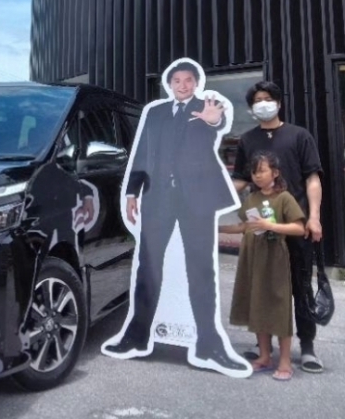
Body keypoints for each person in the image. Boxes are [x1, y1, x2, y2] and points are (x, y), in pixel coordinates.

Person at [102, 59, 248, 374]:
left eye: (188, 80)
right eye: (177, 81)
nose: (183, 85)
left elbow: (218, 123)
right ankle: (136, 337)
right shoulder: (154, 113)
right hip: (157, 197)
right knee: (148, 266)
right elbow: (142, 153)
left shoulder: (208, 106)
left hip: (197, 199)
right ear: (169, 85)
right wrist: (132, 192)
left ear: (196, 83)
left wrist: (213, 121)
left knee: (201, 269)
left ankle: (209, 344)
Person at [232, 81, 324, 373]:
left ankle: (307, 346)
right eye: (257, 100)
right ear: (251, 108)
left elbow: (312, 178)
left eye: (268, 98)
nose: (263, 104)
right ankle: (264, 348)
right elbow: (240, 180)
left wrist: (314, 217)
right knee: (263, 287)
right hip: (262, 231)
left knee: (300, 287)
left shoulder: (299, 135)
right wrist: (211, 199)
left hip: (295, 224)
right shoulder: (247, 140)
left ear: (279, 103)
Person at [220, 152, 305, 381]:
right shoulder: (251, 198)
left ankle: (285, 361)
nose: (257, 176)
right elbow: (244, 226)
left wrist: (271, 226)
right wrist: (216, 229)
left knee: (279, 305)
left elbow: (299, 228)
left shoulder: (284, 197)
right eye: (254, 172)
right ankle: (265, 356)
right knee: (256, 302)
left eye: (262, 171)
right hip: (252, 256)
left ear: (275, 173)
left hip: (275, 257)